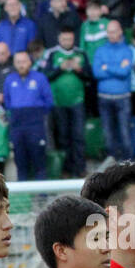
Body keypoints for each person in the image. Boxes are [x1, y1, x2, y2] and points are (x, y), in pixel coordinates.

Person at [40, 28, 89, 178]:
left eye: (70, 39)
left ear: (73, 39)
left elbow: (89, 76)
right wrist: (59, 69)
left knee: (79, 136)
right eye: (64, 39)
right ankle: (66, 169)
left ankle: (80, 168)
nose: (67, 42)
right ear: (59, 39)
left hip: (77, 101)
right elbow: (45, 76)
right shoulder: (52, 54)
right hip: (58, 102)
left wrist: (78, 69)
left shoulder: (81, 54)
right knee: (63, 137)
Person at [3, 50, 53, 181]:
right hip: (17, 124)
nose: (21, 65)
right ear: (14, 64)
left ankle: (42, 198)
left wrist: (37, 114)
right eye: (18, 62)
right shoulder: (9, 79)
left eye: (24, 61)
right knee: (20, 162)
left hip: (35, 123)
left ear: (30, 62)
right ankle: (22, 198)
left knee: (39, 161)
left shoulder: (40, 78)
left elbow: (49, 101)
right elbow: (7, 102)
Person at [93, 19, 135, 161]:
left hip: (123, 97)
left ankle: (128, 162)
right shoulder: (100, 50)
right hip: (104, 97)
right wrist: (117, 67)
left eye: (113, 31)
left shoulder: (127, 50)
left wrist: (107, 67)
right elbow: (97, 73)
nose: (111, 35)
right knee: (107, 133)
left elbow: (125, 72)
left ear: (120, 31)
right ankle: (112, 162)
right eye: (109, 32)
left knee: (124, 132)